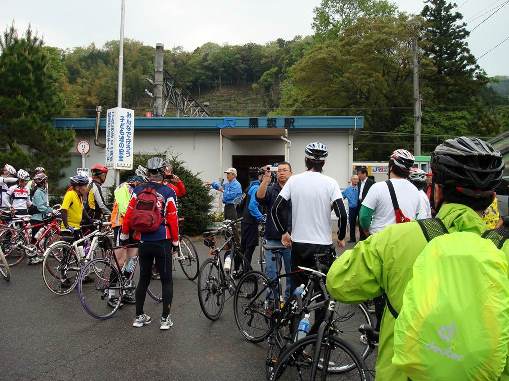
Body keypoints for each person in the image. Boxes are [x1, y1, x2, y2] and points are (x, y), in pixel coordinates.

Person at [326, 137, 507, 380]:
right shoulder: (502, 248)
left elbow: (338, 283)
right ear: (492, 197)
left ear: (438, 190)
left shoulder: (395, 239)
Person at [271, 142, 347, 330]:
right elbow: (342, 214)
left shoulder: (294, 181)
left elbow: (275, 209)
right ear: (324, 163)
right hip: (322, 247)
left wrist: (284, 233)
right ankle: (317, 336)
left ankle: (294, 336)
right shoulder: (331, 183)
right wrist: (341, 235)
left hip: (299, 246)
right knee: (322, 294)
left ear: (306, 160)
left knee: (299, 290)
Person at [121, 157, 179, 330]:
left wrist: (124, 235)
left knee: (143, 278)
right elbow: (173, 218)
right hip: (163, 240)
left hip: (144, 241)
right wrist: (175, 242)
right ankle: (165, 319)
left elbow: (129, 214)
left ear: (148, 172)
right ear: (162, 173)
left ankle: (139, 317)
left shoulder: (137, 190)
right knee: (166, 280)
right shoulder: (168, 192)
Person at [359, 149, 422, 236]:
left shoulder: (378, 187)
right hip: (404, 239)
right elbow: (417, 215)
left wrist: (366, 231)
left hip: (380, 240)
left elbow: (364, 216)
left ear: (391, 167)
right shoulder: (415, 190)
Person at [256, 161, 293, 300]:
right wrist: (265, 180)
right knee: (272, 275)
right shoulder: (271, 189)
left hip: (291, 240)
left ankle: (290, 303)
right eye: (279, 170)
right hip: (272, 239)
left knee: (292, 275)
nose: (282, 172)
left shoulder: (296, 190)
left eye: (285, 170)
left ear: (291, 173)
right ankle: (273, 303)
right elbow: (259, 197)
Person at [109, 175, 144, 306]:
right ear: (135, 182)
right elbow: (124, 210)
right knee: (120, 261)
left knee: (132, 260)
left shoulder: (138, 191)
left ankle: (125, 291)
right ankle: (112, 294)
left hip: (134, 228)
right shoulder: (123, 188)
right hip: (120, 226)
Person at [238, 167, 265, 273]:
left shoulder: (248, 187)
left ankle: (238, 268)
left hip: (245, 220)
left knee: (243, 247)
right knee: (250, 247)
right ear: (260, 176)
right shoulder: (256, 187)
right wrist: (261, 218)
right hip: (251, 221)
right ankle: (246, 271)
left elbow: (240, 203)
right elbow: (252, 206)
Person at [356, 167, 374, 241]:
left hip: (367, 204)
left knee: (366, 220)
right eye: (357, 174)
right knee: (360, 221)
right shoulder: (359, 183)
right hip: (360, 203)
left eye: (359, 174)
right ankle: (361, 238)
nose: (358, 175)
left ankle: (368, 238)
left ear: (364, 174)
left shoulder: (371, 182)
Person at [342, 175, 359, 243]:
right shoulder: (347, 189)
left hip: (360, 208)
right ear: (351, 180)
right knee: (352, 223)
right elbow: (341, 197)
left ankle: (362, 238)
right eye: (354, 179)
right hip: (352, 208)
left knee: (360, 223)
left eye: (357, 179)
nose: (355, 180)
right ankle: (352, 239)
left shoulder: (360, 188)